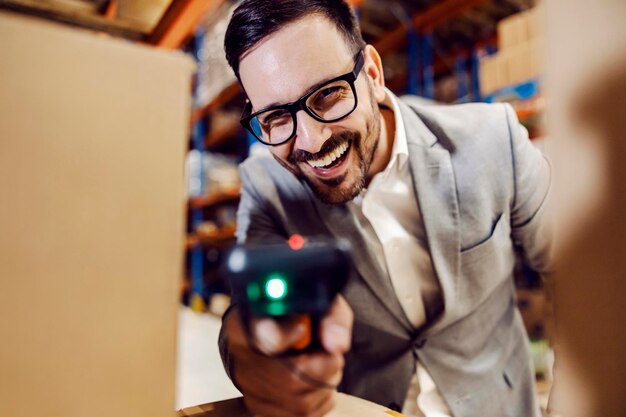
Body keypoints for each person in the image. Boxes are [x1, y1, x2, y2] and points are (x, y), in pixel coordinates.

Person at [218, 1, 552, 416]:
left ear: (372, 75)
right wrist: (260, 354)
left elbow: (584, 275)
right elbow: (244, 319)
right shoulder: (268, 186)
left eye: (327, 95)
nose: (309, 139)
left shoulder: (493, 140)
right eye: (275, 118)